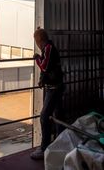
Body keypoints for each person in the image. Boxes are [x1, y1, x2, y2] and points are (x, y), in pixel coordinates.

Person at [30, 27, 64, 160]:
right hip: (56, 86)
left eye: (36, 41)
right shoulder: (48, 48)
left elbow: (44, 66)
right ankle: (61, 143)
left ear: (39, 40)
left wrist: (37, 59)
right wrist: (41, 80)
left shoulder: (48, 48)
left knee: (44, 117)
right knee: (59, 115)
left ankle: (44, 148)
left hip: (54, 88)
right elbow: (47, 68)